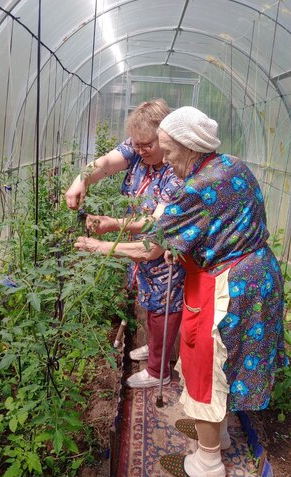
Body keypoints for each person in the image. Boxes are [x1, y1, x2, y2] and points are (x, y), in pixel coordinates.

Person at [74, 106, 285, 477]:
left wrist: (98, 245)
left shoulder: (198, 188)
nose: (167, 161)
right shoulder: (231, 166)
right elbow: (210, 225)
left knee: (208, 365)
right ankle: (217, 432)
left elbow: (149, 249)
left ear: (189, 146)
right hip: (254, 275)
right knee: (224, 361)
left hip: (231, 285)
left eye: (169, 151)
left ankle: (208, 463)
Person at [65, 99, 185, 388]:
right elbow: (106, 164)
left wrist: (112, 225)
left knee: (163, 305)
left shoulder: (176, 172)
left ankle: (158, 371)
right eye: (137, 144)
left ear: (165, 138)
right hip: (138, 245)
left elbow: (155, 224)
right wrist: (80, 181)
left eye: (147, 145)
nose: (139, 150)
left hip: (163, 249)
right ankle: (156, 349)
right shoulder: (137, 148)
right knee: (149, 301)